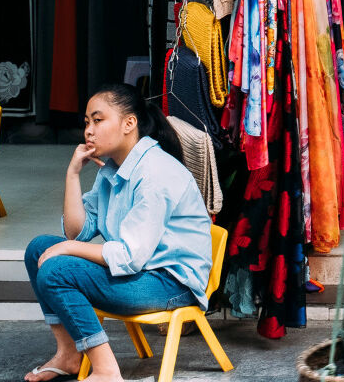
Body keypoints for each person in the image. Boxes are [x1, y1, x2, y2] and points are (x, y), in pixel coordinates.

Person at [22, 84, 213, 382]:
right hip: (141, 273)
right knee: (39, 248)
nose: (89, 130)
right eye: (87, 122)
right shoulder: (113, 169)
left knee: (57, 268)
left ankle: (107, 371)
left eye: (98, 120)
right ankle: (69, 355)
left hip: (171, 284)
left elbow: (128, 256)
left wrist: (68, 250)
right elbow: (78, 232)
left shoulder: (155, 172)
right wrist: (72, 174)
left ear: (129, 123)